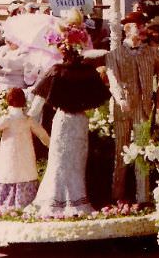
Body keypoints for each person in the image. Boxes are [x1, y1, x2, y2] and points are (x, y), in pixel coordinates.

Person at [30, 13, 110, 216]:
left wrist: (27, 116)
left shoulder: (56, 71)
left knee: (60, 161)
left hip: (64, 120)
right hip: (80, 121)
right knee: (75, 163)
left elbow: (38, 100)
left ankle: (55, 200)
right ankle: (77, 200)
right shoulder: (88, 72)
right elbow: (101, 97)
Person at [106, 19, 159, 202]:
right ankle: (117, 196)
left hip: (143, 109)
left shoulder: (152, 53)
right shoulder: (114, 54)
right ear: (127, 30)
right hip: (123, 109)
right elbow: (113, 79)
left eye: (143, 26)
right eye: (139, 26)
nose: (143, 30)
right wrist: (120, 98)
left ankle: (142, 198)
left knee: (142, 152)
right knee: (121, 152)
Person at [0, 87, 50, 209]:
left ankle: (6, 204)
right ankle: (26, 204)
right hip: (26, 162)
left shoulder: (8, 119)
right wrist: (51, 146)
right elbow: (43, 135)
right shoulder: (28, 120)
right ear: (23, 102)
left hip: (9, 160)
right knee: (26, 175)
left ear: (8, 101)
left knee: (8, 175)